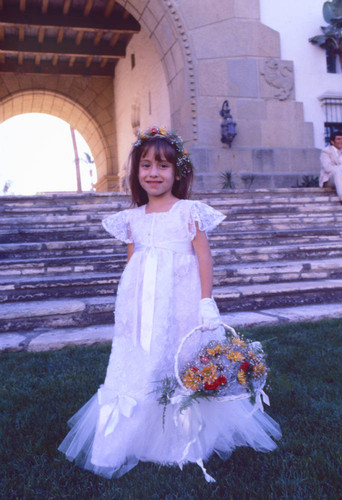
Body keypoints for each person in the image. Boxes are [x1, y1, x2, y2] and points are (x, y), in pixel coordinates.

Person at [58, 127, 281, 482]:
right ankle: (134, 436)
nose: (153, 173)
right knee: (141, 360)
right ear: (137, 173)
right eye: (146, 165)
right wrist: (127, 308)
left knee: (180, 353)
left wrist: (205, 301)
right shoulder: (132, 218)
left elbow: (203, 257)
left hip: (182, 295)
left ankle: (184, 434)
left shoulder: (189, 211)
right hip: (141, 302)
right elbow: (133, 263)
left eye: (163, 166)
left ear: (178, 172)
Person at [319, 131, 342, 201]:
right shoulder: (325, 151)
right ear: (332, 142)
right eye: (338, 139)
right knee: (338, 171)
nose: (341, 141)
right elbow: (328, 168)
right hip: (329, 179)